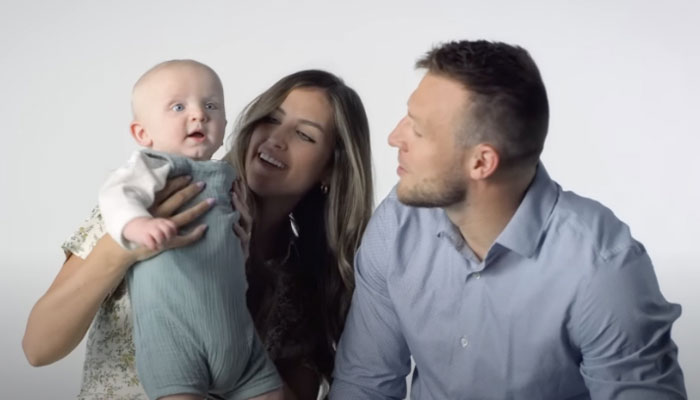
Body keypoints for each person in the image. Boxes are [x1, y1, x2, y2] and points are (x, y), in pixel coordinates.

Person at [331, 40, 686, 399]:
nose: (394, 137)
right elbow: (364, 383)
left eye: (418, 131)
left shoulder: (603, 268)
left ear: (482, 163)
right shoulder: (399, 222)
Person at [22, 69, 373, 400]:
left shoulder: (302, 284)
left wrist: (237, 272)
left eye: (305, 135)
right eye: (271, 118)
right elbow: (38, 348)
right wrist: (124, 248)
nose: (276, 140)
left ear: (330, 167)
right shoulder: (149, 197)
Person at [96, 59, 282, 400]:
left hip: (238, 339)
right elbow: (116, 194)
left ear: (225, 122)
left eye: (211, 106)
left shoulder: (226, 177)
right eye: (178, 107)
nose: (198, 115)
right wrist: (137, 224)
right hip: (173, 344)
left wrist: (239, 250)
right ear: (142, 133)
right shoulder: (154, 166)